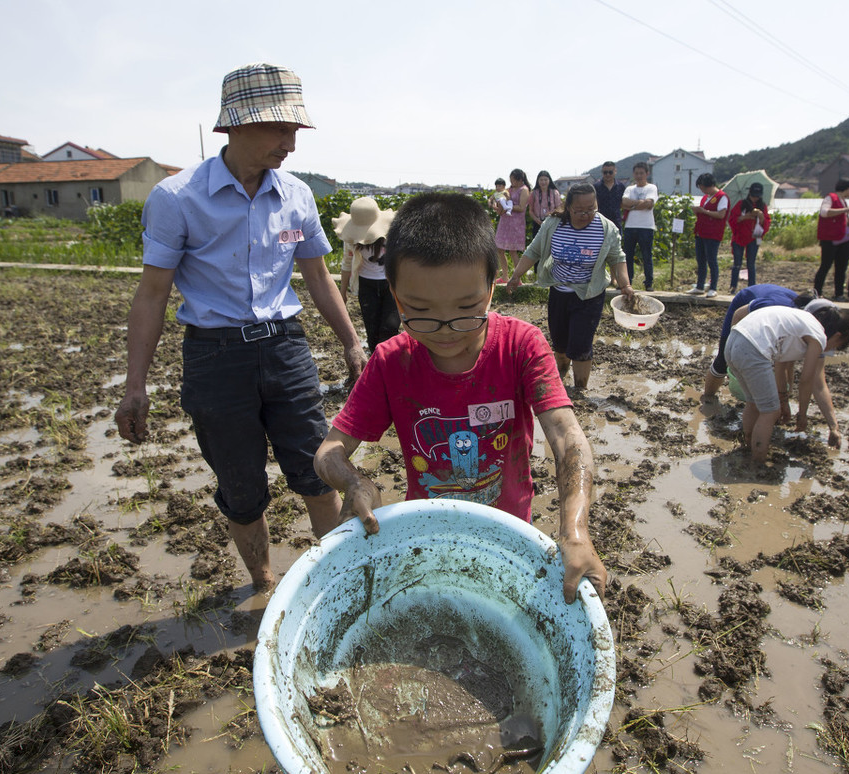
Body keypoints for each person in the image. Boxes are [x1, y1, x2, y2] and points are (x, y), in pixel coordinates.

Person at [114, 63, 367, 591]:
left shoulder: (296, 195)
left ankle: (338, 585)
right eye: (280, 129)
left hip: (286, 350)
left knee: (317, 469)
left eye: (294, 131)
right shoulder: (177, 198)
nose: (290, 144)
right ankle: (265, 587)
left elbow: (318, 277)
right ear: (235, 126)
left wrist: (351, 342)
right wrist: (134, 386)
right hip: (214, 356)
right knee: (242, 487)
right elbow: (152, 293)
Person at [313, 193, 607, 604]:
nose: (446, 329)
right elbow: (329, 452)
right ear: (395, 296)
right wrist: (356, 482)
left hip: (508, 529)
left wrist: (574, 530)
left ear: (491, 289)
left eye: (467, 308)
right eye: (420, 311)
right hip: (430, 531)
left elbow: (567, 437)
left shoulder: (521, 346)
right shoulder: (390, 362)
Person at [508, 183, 636, 390]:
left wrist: (626, 285)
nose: (585, 214)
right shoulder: (553, 224)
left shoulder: (606, 228)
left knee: (581, 345)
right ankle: (561, 377)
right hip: (559, 292)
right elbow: (534, 251)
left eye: (591, 209)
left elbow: (617, 258)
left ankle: (580, 389)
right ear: (568, 207)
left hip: (589, 295)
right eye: (579, 210)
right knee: (559, 342)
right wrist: (515, 276)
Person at [725, 303, 849, 462]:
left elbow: (781, 366)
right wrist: (802, 415)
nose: (830, 350)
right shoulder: (818, 336)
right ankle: (758, 463)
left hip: (734, 340)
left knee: (754, 402)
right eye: (836, 346)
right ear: (837, 336)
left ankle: (749, 447)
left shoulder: (802, 322)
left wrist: (784, 401)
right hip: (753, 347)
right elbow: (806, 380)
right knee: (770, 411)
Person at [701, 282, 808, 400]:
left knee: (780, 360)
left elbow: (788, 362)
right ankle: (707, 399)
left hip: (770, 312)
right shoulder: (774, 305)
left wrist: (786, 395)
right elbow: (738, 314)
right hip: (744, 305)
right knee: (723, 360)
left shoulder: (803, 323)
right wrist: (733, 350)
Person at [335, 197, 399, 354]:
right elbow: (347, 263)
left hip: (390, 284)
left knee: (390, 327)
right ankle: (377, 364)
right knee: (372, 330)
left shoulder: (391, 234)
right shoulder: (351, 238)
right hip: (366, 285)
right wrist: (342, 292)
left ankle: (388, 364)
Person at [687, 172, 728, 298]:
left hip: (713, 233)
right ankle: (700, 286)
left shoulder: (722, 197)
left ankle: (713, 287)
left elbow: (721, 214)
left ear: (708, 185)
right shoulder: (706, 198)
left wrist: (703, 211)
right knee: (701, 260)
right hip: (701, 232)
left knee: (712, 260)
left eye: (702, 187)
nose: (702, 190)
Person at [814, 178, 849, 300]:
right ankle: (817, 291)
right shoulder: (831, 198)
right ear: (847, 189)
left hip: (843, 238)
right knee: (825, 265)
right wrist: (845, 210)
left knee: (841, 267)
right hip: (830, 238)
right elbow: (824, 212)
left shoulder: (843, 201)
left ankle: (839, 293)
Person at [621, 161, 658, 291]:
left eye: (641, 173)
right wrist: (639, 204)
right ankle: (628, 282)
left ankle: (648, 283)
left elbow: (649, 204)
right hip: (630, 227)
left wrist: (631, 205)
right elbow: (623, 203)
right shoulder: (629, 188)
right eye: (636, 173)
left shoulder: (651, 188)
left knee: (647, 256)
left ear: (647, 173)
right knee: (627, 256)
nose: (639, 176)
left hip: (646, 227)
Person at [728, 182, 770, 293]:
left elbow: (766, 223)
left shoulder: (763, 206)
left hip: (753, 238)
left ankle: (752, 287)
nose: (755, 198)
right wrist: (745, 217)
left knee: (751, 263)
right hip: (739, 237)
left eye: (757, 196)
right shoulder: (741, 204)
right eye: (753, 195)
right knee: (737, 263)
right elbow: (732, 220)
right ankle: (733, 286)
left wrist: (760, 216)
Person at [492, 168, 530, 284]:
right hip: (505, 222)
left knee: (513, 251)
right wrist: (498, 207)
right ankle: (504, 276)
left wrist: (509, 206)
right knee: (500, 249)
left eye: (513, 180)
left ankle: (517, 278)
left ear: (519, 179)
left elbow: (522, 207)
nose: (511, 182)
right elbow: (500, 201)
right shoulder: (509, 190)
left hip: (516, 224)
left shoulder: (524, 190)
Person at [594, 161, 626, 234]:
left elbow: (623, 204)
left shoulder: (621, 187)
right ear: (602, 172)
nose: (608, 174)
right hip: (600, 223)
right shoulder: (596, 187)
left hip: (616, 223)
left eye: (610, 172)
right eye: (605, 172)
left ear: (615, 171)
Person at [529, 170, 561, 238]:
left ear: (549, 180)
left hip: (551, 223)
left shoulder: (555, 193)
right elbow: (531, 210)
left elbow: (559, 208)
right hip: (537, 223)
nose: (543, 182)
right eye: (541, 180)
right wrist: (537, 220)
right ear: (538, 181)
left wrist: (551, 214)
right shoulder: (534, 193)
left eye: (545, 180)